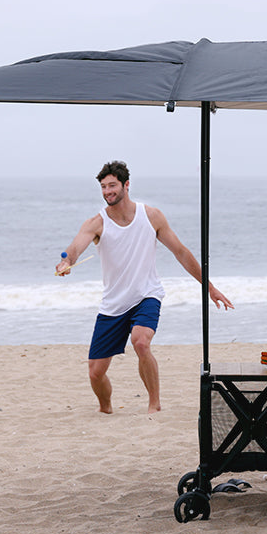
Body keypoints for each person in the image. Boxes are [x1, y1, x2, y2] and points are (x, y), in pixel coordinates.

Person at [56, 161, 233, 415]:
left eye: (112, 185)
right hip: (113, 303)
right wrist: (67, 261)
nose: (107, 191)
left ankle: (154, 404)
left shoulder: (151, 217)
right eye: (104, 187)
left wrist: (210, 288)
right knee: (95, 373)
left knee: (140, 342)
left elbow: (181, 253)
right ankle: (105, 409)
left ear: (126, 185)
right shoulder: (97, 223)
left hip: (146, 295)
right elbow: (75, 248)